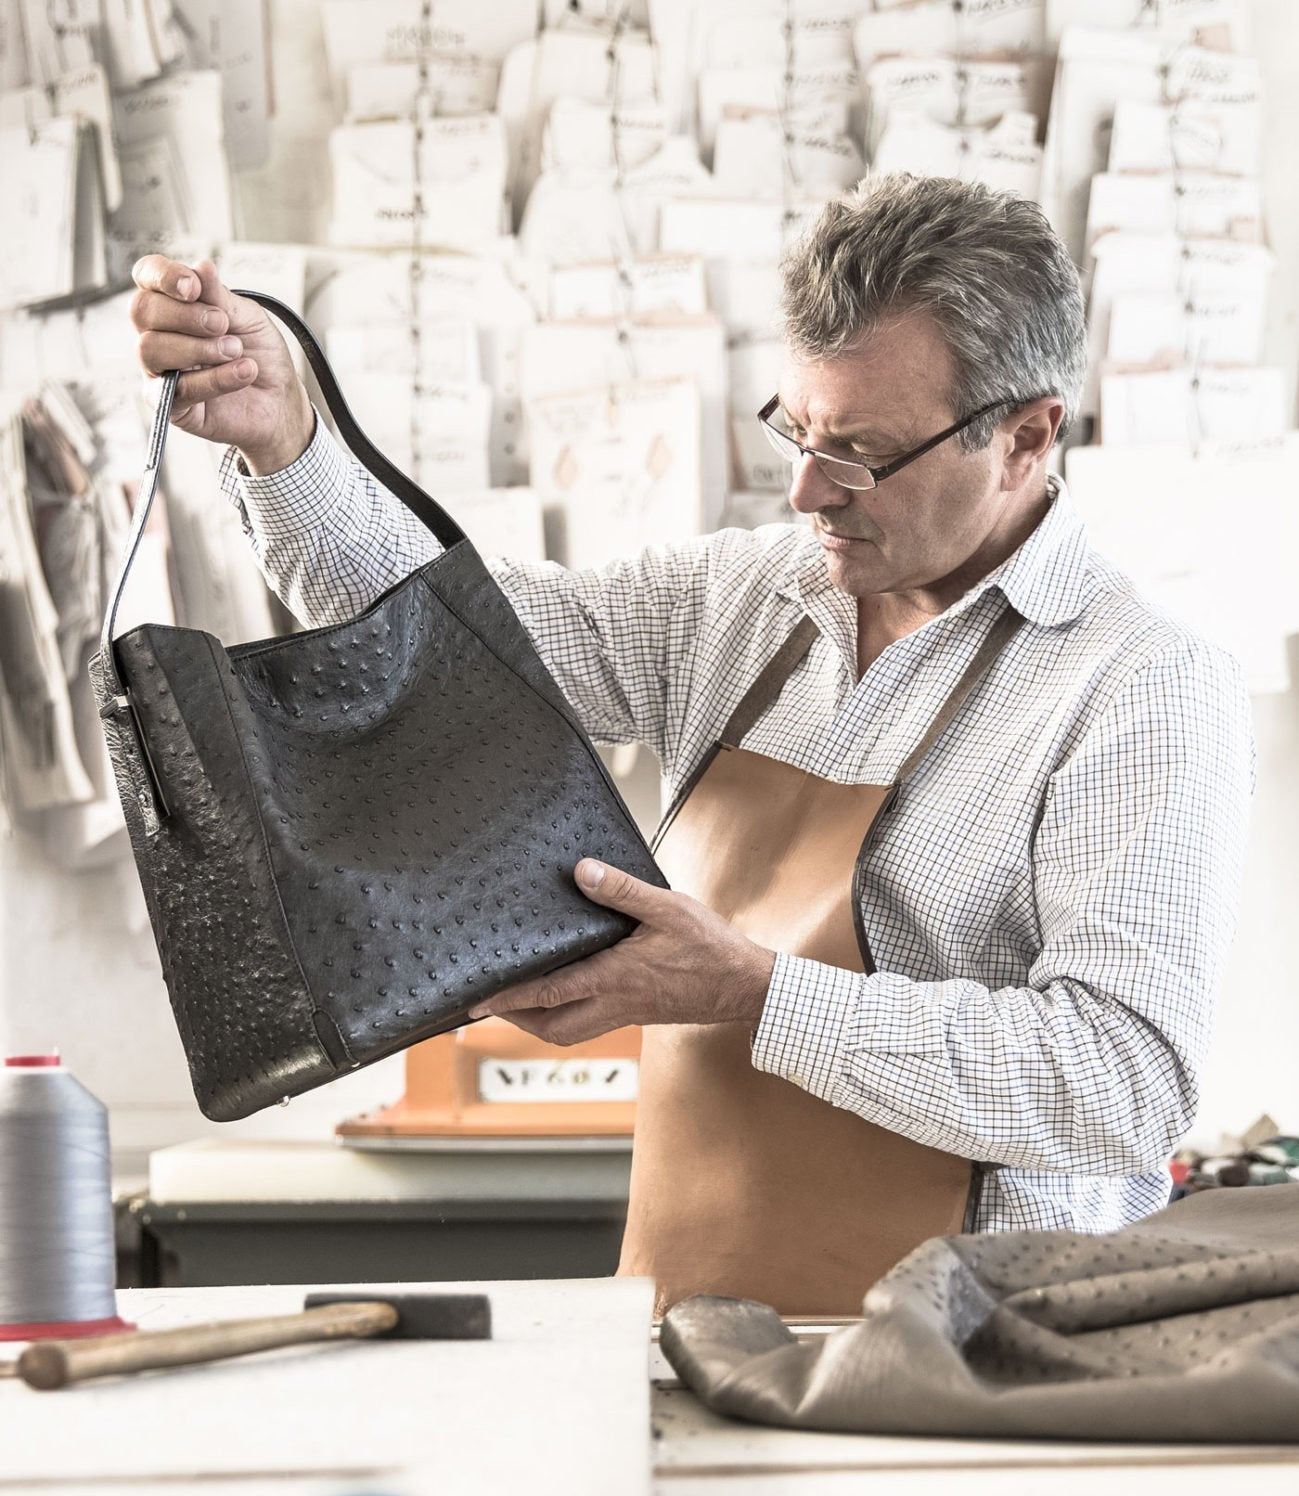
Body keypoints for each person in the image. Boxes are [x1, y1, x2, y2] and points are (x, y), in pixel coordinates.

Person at [130, 174, 1254, 1316]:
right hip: (689, 1332)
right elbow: (445, 651)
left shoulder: (1141, 685)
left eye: (860, 453)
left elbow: (1123, 1082)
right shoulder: (739, 600)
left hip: (974, 1361)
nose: (808, 491)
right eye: (797, 430)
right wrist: (286, 441)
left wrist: (754, 993)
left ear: (1025, 436)